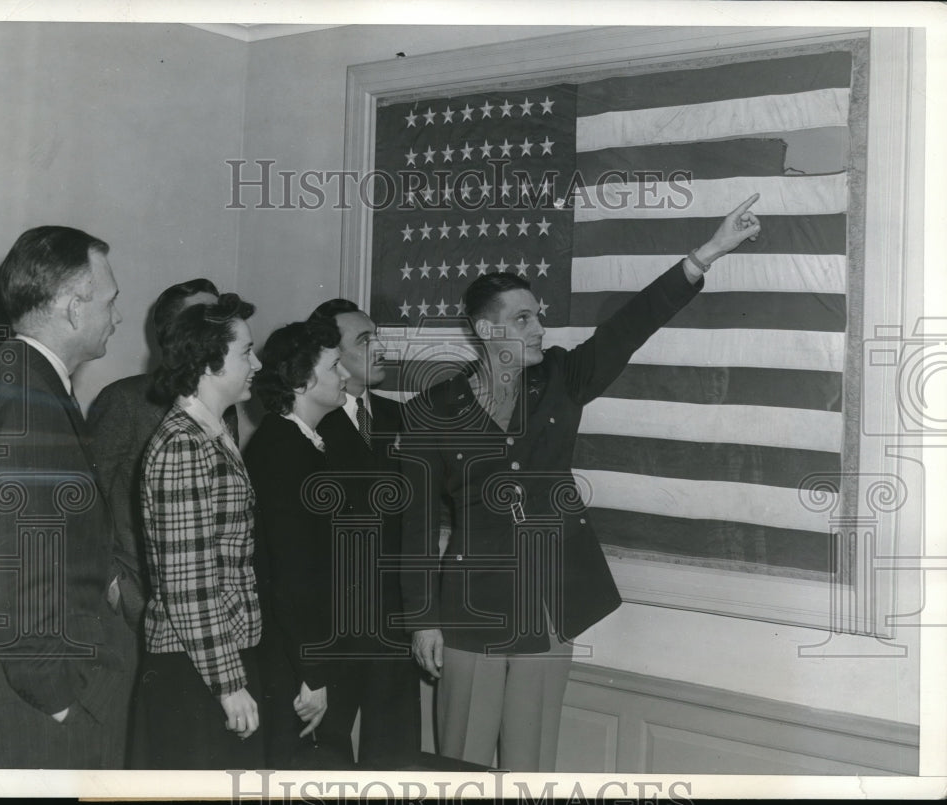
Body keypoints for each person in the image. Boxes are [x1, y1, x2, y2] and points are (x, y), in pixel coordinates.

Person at [400, 195, 763, 772]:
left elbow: (629, 326)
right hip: (471, 610)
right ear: (485, 328)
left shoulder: (563, 377)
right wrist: (423, 617)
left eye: (539, 315)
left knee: (531, 762)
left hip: (551, 602)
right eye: (524, 319)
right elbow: (413, 525)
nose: (540, 327)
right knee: (460, 765)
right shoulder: (431, 411)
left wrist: (707, 253)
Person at [0, 225, 134, 768]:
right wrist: (61, 699)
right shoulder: (25, 395)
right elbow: (15, 555)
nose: (117, 315)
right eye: (111, 300)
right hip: (49, 706)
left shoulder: (28, 380)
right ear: (74, 308)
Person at [136, 293, 264, 769]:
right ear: (210, 362)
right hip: (195, 668)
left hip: (215, 655)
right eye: (246, 351)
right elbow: (188, 584)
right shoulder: (183, 445)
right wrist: (229, 684)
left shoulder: (211, 431)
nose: (257, 362)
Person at [309, 299, 422, 768]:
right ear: (331, 354)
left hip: (395, 620)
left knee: (394, 756)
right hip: (334, 624)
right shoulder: (311, 425)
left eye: (377, 336)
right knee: (322, 749)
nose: (381, 348)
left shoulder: (403, 419)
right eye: (364, 340)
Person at [244, 319, 359, 768]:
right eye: (335, 366)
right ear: (300, 379)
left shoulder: (301, 443)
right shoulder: (283, 451)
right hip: (296, 667)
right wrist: (314, 674)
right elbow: (291, 577)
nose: (345, 376)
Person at [87, 279, 231, 631]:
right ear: (172, 335)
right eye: (203, 319)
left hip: (206, 603)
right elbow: (84, 500)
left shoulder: (224, 410)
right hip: (138, 601)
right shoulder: (124, 400)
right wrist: (115, 586)